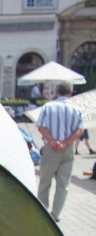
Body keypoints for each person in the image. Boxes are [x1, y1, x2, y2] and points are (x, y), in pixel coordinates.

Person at [36, 81, 84, 222]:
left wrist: (52, 141)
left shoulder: (48, 107)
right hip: (67, 149)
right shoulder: (77, 109)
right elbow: (80, 130)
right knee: (63, 183)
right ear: (70, 93)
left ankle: (43, 210)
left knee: (45, 181)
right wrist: (66, 143)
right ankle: (56, 214)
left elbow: (40, 127)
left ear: (57, 92)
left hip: (51, 148)